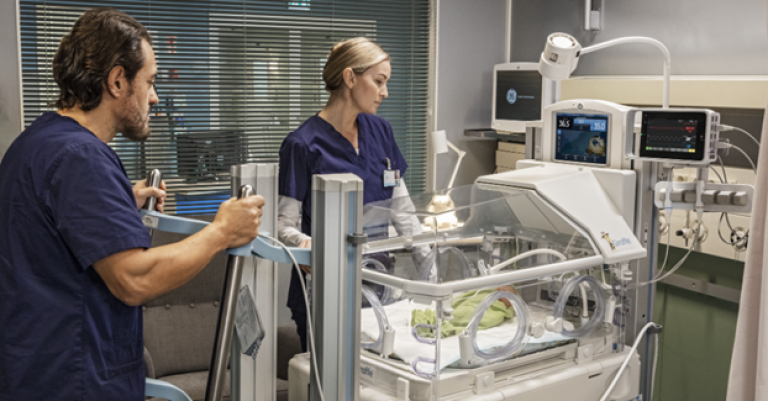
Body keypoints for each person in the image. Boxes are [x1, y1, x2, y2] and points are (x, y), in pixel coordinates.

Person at [0, 8, 264, 401]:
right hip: (74, 382)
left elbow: (52, 228)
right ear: (118, 81)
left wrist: (120, 200)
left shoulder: (35, 142)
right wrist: (222, 232)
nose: (155, 97)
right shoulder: (81, 159)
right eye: (150, 81)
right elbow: (134, 280)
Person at [277, 37, 424, 351]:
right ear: (349, 78)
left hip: (380, 286)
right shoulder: (302, 144)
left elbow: (404, 214)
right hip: (325, 288)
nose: (385, 92)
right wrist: (306, 244)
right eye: (379, 81)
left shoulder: (381, 131)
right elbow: (282, 226)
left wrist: (431, 279)